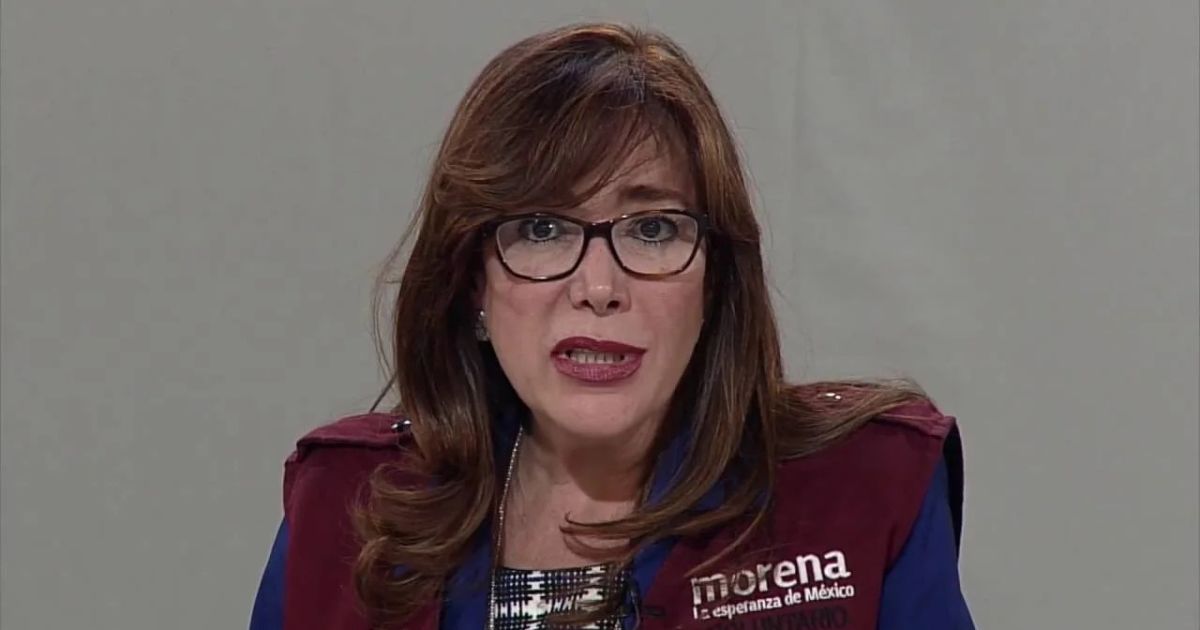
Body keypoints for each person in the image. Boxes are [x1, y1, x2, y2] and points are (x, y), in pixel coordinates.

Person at [250, 21, 975, 630]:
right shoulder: (346, 507)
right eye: (541, 229)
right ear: (472, 279)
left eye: (653, 228)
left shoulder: (865, 489)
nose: (598, 288)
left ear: (715, 277)